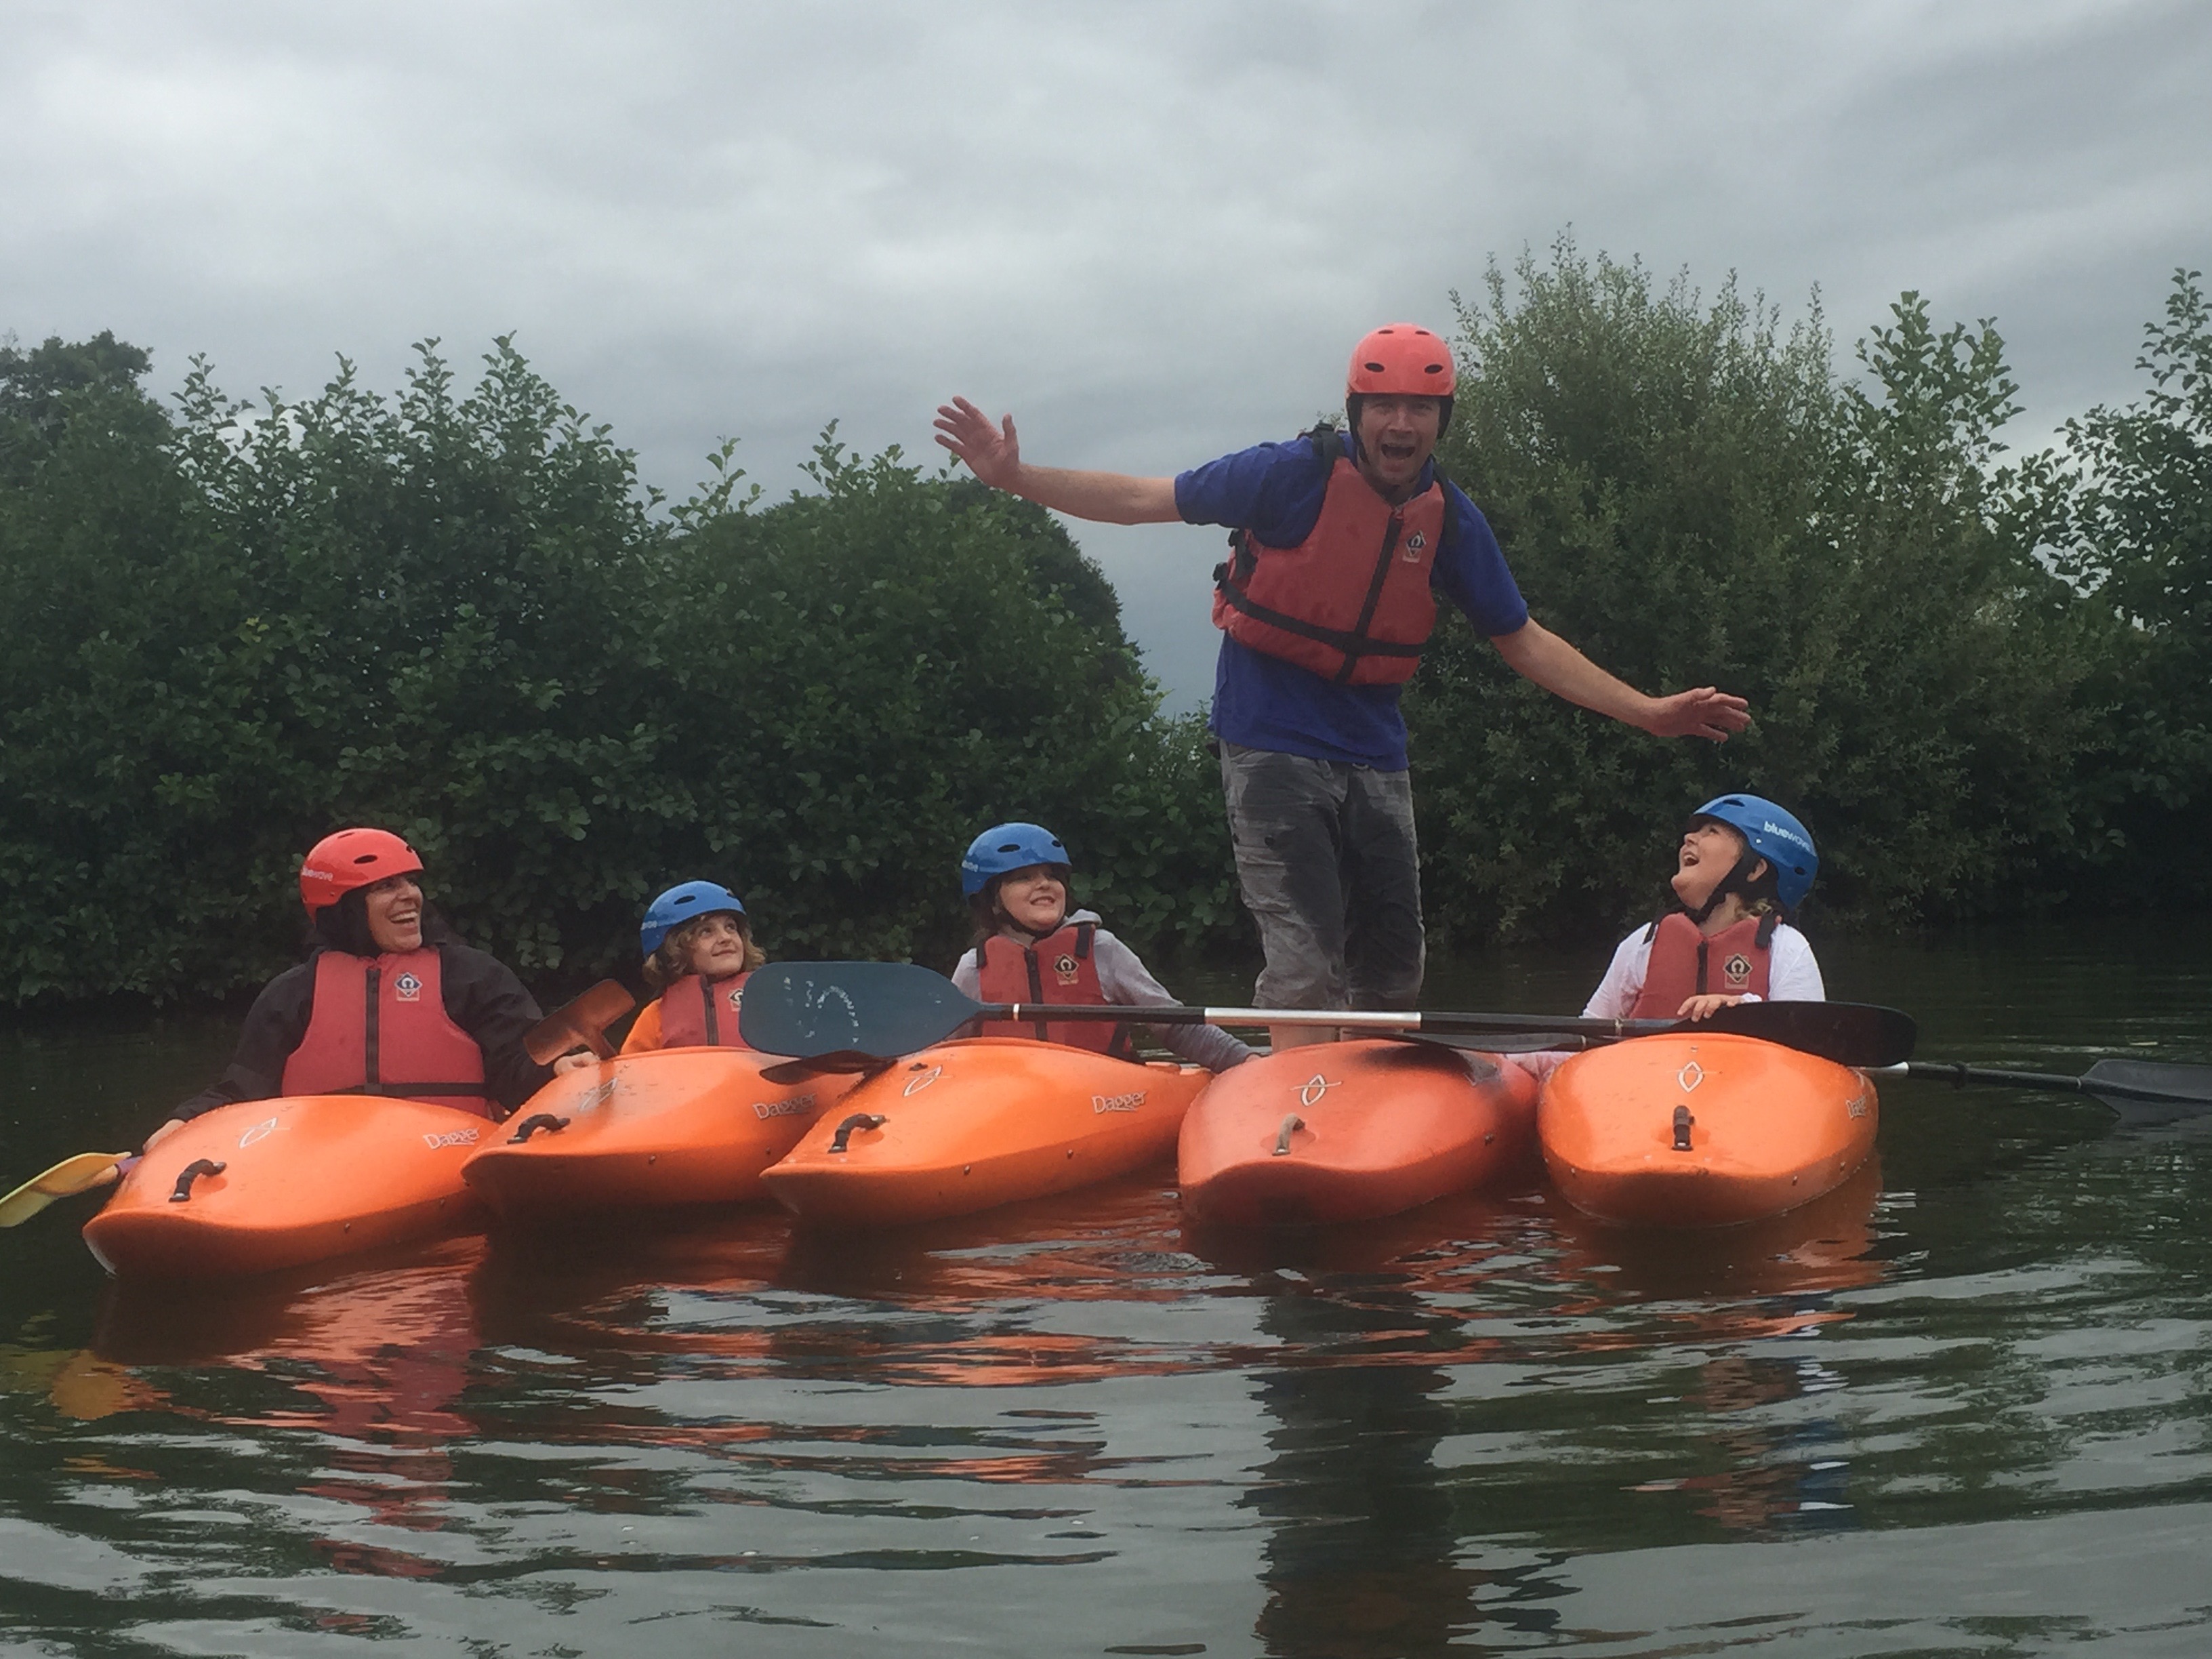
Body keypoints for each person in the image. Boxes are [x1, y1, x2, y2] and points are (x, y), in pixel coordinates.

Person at [935, 323, 1750, 1050]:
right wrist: (1016, 477)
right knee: (1305, 955)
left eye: (1421, 409)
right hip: (1269, 736)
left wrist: (1647, 711)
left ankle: (1368, 1105)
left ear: (1442, 422)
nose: (1401, 424)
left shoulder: (1452, 520)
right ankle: (1293, 1101)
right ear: (1357, 412)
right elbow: (1143, 499)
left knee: (1396, 958)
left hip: (1371, 747)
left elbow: (1524, 640)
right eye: (1384, 406)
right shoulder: (1285, 476)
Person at [148, 828, 581, 1146]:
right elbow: (244, 1091)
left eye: (411, 882)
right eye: (386, 887)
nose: (410, 896)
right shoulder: (293, 995)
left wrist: (555, 1070)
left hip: (450, 1147)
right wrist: (184, 1123)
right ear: (345, 910)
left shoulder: (471, 976)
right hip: (328, 1158)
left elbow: (517, 1065)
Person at [1512, 794, 1824, 1086]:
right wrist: (1507, 1058)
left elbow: (1812, 1049)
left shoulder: (1786, 947)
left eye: (1712, 832)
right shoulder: (1643, 944)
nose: (1690, 838)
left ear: (1755, 868)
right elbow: (1585, 1039)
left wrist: (1745, 1010)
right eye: (1694, 832)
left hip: (1743, 1098)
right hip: (1644, 1095)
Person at [950, 821, 1254, 1072]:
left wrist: (1246, 1062)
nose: (1044, 884)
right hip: (1015, 1099)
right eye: (1024, 878)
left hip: (1103, 1096)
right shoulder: (974, 966)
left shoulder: (1101, 949)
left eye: (1053, 876)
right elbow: (944, 1051)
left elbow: (1177, 1026)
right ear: (991, 898)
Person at [619, 880, 765, 1053]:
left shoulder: (769, 999)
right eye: (706, 931)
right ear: (674, 950)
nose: (725, 937)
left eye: (731, 927)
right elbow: (628, 1074)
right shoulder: (656, 1017)